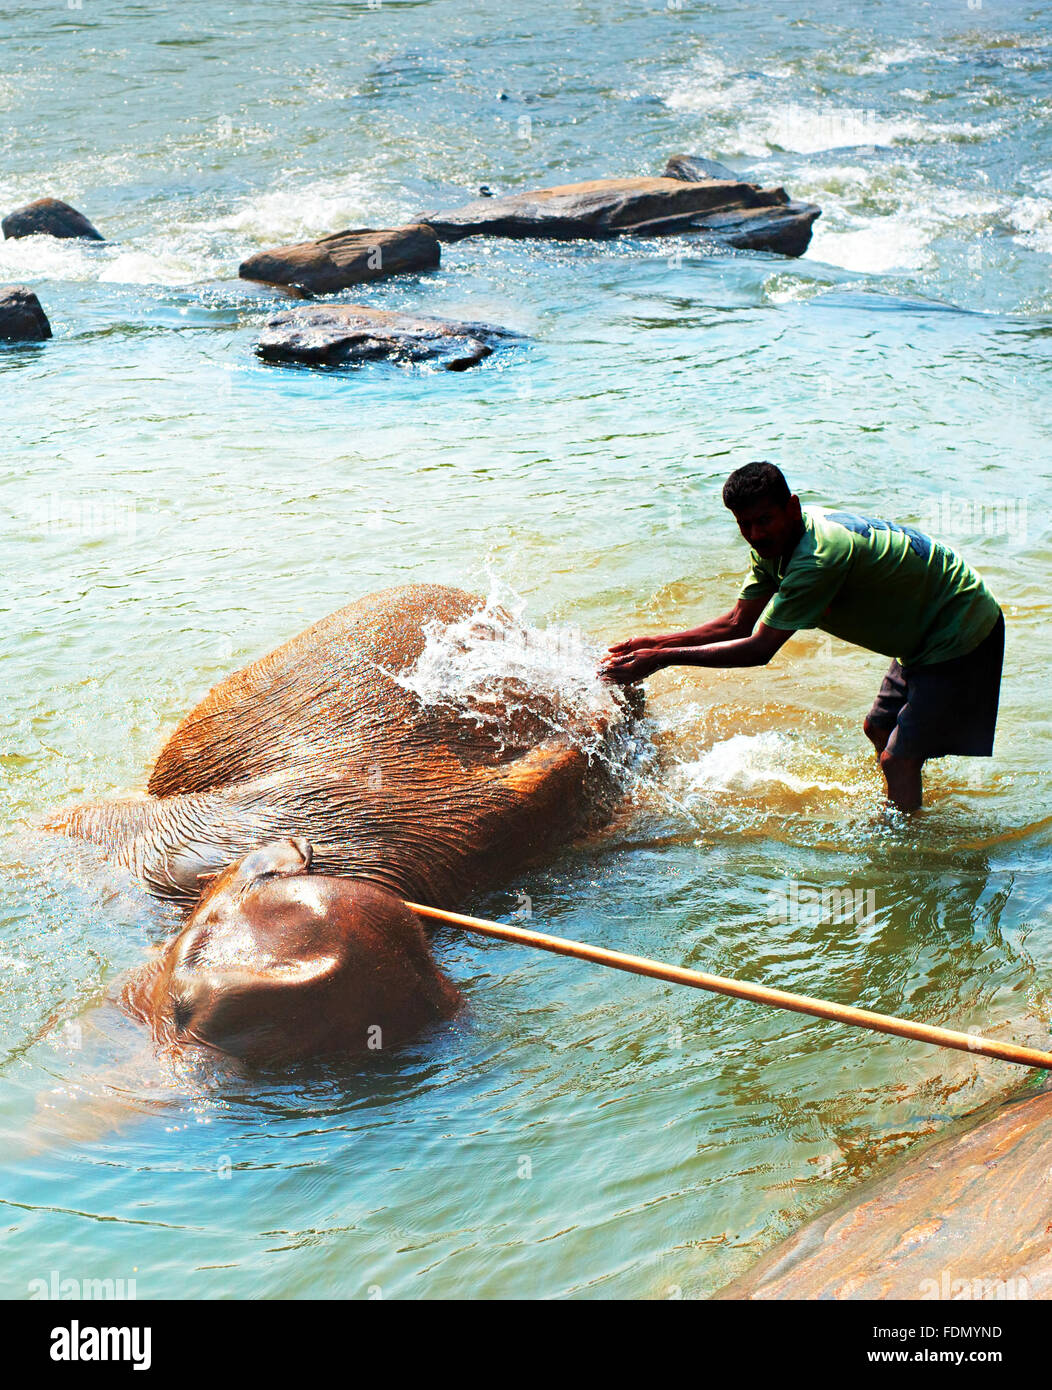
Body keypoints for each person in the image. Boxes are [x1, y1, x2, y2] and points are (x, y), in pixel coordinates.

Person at [600, 461, 1004, 812]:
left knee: (897, 759)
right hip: (923, 626)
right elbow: (738, 623)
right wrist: (652, 644)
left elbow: (759, 649)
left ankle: (910, 844)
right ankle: (908, 796)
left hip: (958, 626)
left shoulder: (817, 558)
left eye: (763, 520)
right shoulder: (777, 545)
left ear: (792, 508)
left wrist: (664, 660)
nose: (755, 534)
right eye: (744, 524)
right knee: (878, 730)